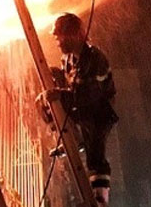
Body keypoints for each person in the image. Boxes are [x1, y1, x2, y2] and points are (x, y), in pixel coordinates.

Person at [41, 13, 118, 206]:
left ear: (74, 34)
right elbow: (71, 87)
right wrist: (53, 77)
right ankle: (74, 138)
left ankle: (100, 200)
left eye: (60, 36)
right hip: (80, 105)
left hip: (98, 112)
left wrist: (61, 95)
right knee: (42, 101)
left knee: (95, 156)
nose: (57, 42)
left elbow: (89, 96)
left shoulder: (95, 59)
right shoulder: (68, 59)